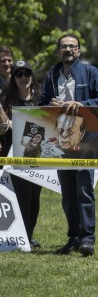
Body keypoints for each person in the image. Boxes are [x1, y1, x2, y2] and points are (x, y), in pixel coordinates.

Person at [40, 33, 98, 257]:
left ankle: (88, 239)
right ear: (58, 51)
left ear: (79, 51)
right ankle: (73, 237)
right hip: (60, 141)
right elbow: (41, 106)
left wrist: (81, 103)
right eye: (64, 47)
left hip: (85, 140)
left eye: (72, 46)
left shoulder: (90, 72)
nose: (68, 50)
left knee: (83, 190)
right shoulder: (52, 75)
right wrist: (49, 105)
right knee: (68, 194)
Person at [0, 60, 43, 248]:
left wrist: (13, 124)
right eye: (19, 74)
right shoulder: (6, 100)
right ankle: (23, 237)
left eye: (27, 74)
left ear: (32, 77)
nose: (23, 78)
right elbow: (2, 128)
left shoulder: (40, 99)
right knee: (22, 197)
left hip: (38, 157)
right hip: (14, 155)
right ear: (14, 78)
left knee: (35, 197)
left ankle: (29, 234)